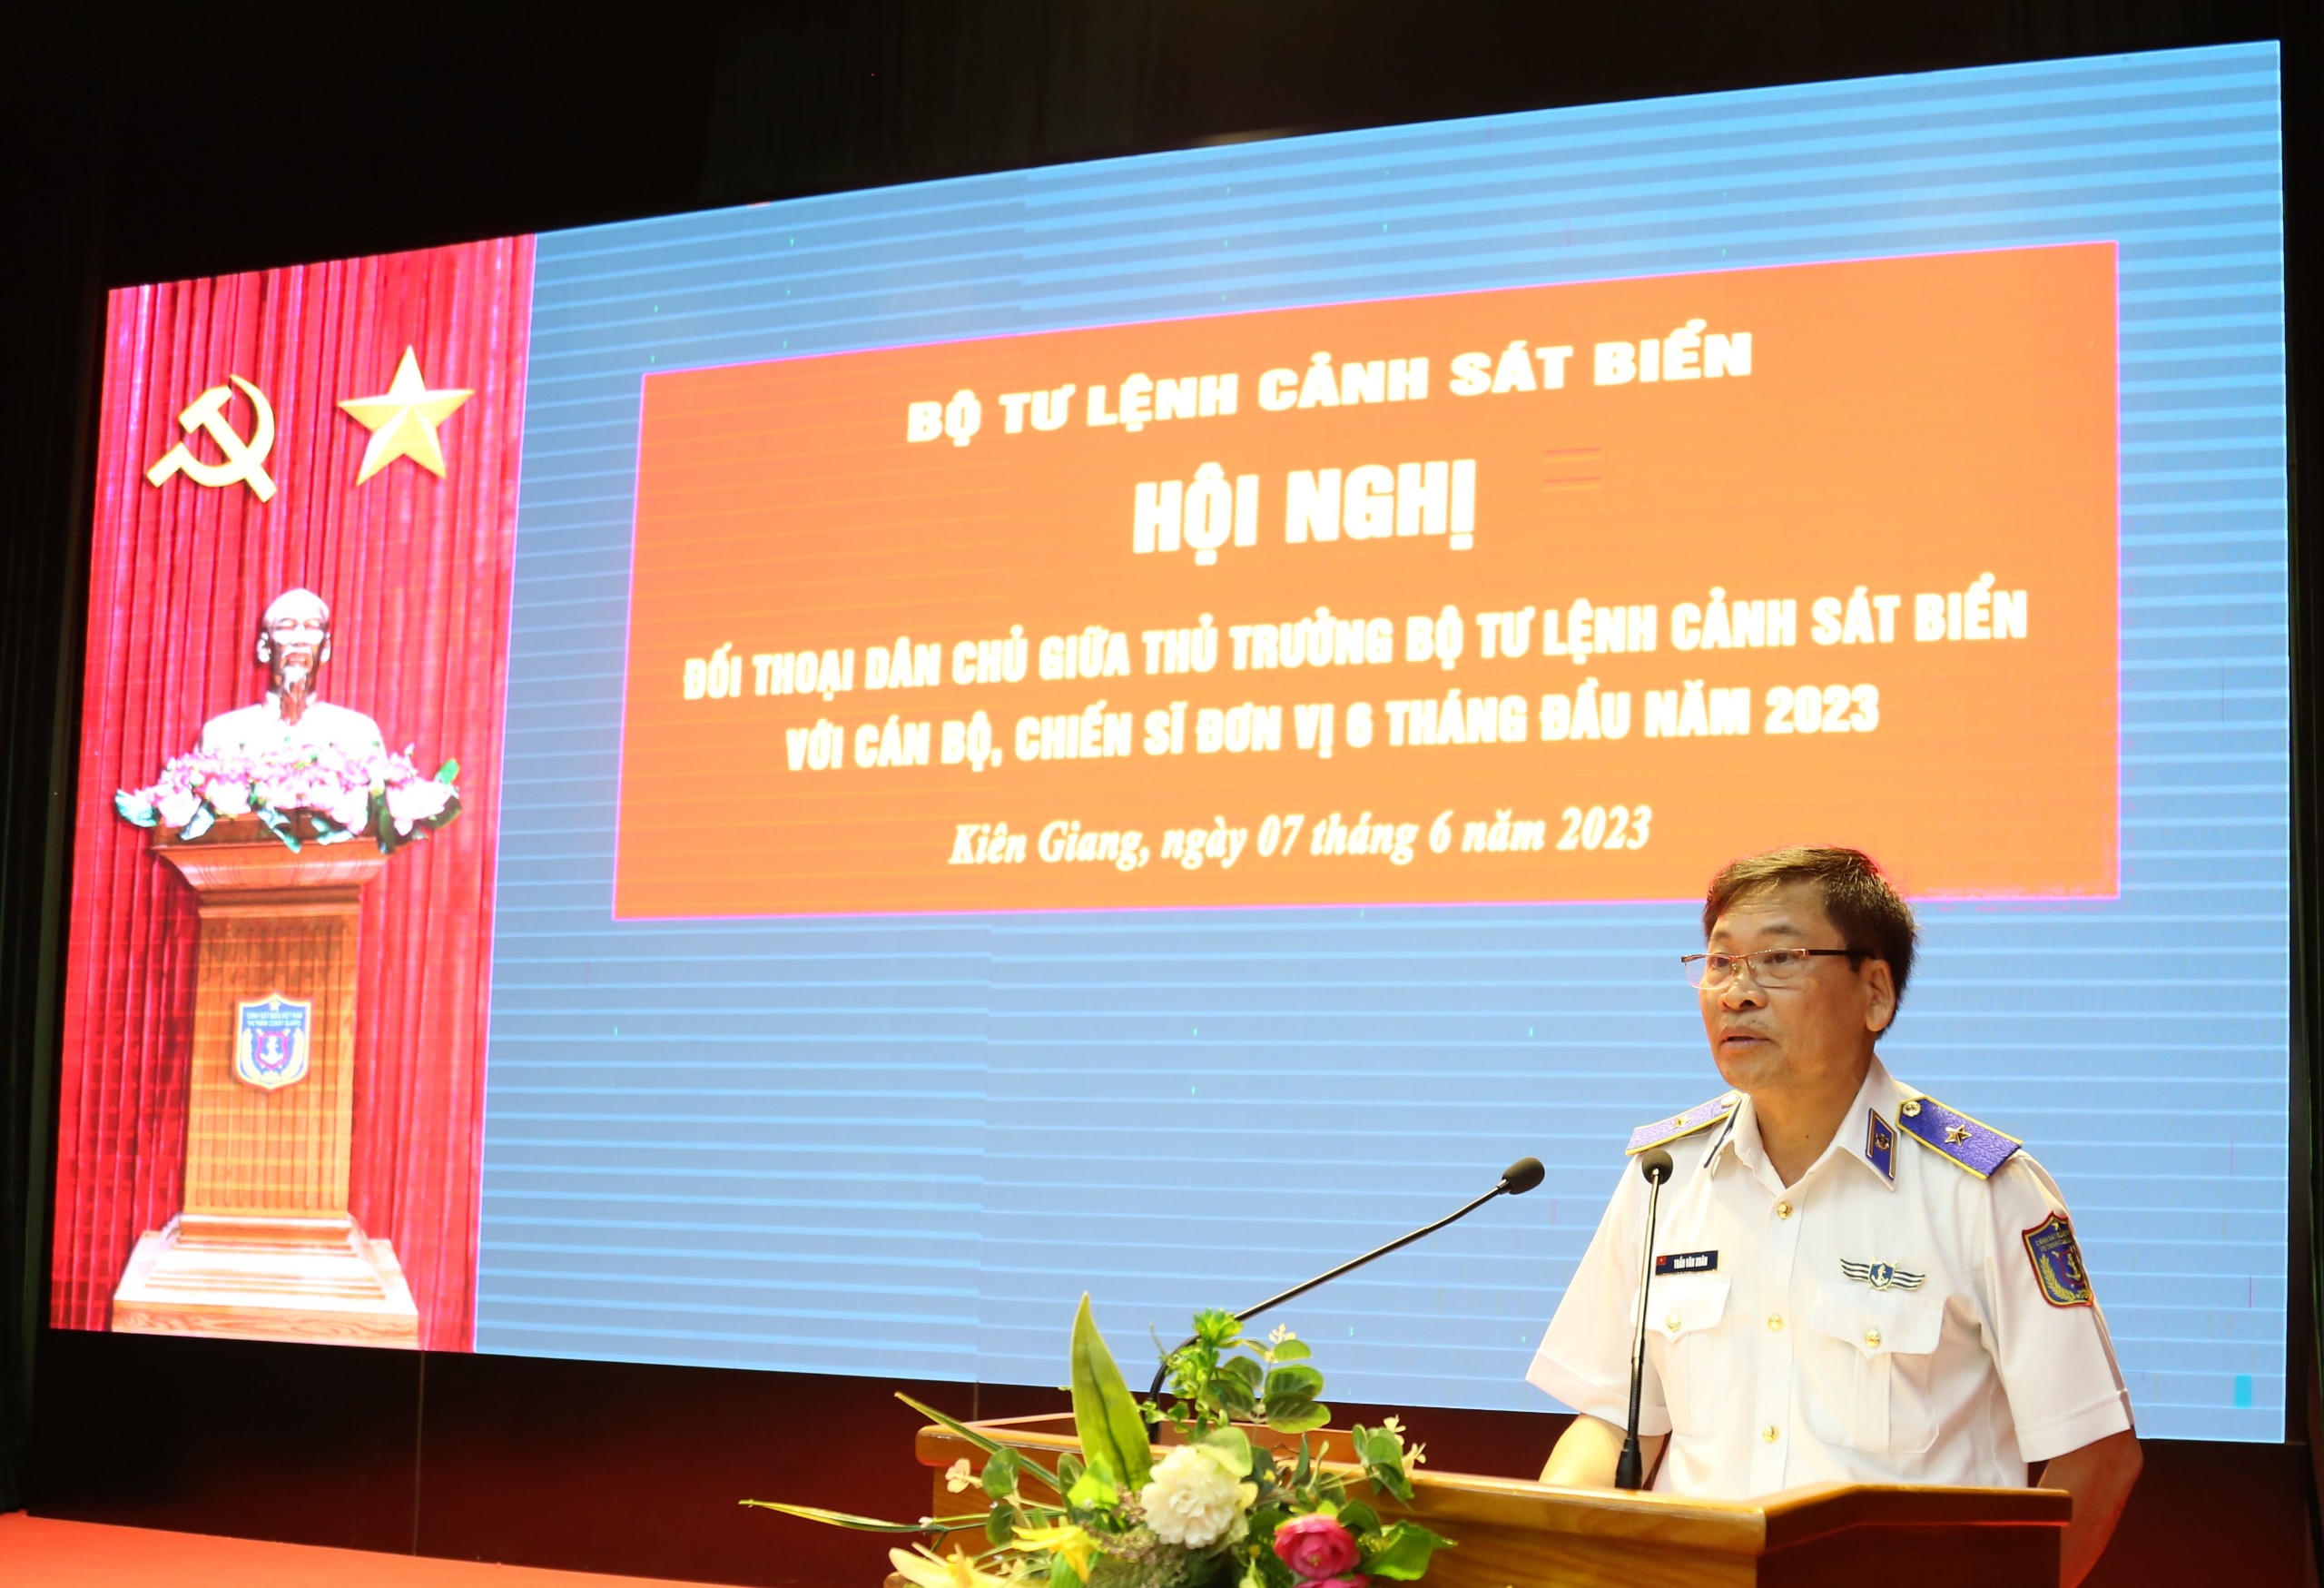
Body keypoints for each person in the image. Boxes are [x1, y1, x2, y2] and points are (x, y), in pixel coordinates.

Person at [1528, 846, 2141, 1588]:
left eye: (1778, 958)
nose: (1737, 993)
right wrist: (1544, 1559)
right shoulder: (1664, 1175)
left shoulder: (1983, 1191)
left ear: (1874, 993)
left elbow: (2098, 1456)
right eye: (1719, 962)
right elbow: (1611, 1424)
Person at [198, 587, 386, 757]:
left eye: (311, 627)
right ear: (264, 647)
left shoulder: (358, 734)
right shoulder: (223, 734)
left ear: (326, 648)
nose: (299, 640)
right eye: (287, 627)